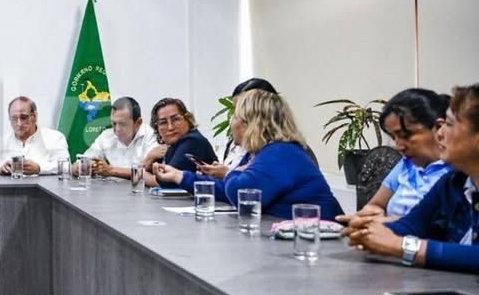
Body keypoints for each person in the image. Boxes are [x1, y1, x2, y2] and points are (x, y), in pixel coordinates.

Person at [339, 84, 479, 274]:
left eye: (449, 124)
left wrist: (403, 246)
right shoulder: (454, 182)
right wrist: (365, 231)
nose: (439, 133)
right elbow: (412, 225)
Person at [154, 90, 343, 219]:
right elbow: (225, 189)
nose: (232, 123)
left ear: (250, 123)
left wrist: (230, 173)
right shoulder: (259, 153)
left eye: (234, 116)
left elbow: (241, 194)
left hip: (322, 242)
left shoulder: (281, 152)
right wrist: (180, 176)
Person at [354, 88, 451, 218]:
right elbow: (376, 204)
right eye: (394, 137)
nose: (399, 146)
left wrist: (389, 224)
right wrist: (372, 214)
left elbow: (443, 226)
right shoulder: (408, 164)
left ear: (439, 127)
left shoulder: (460, 171)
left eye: (406, 135)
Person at [0, 96, 69, 176]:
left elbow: (66, 167)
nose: (19, 123)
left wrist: (39, 169)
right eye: (14, 119)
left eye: (23, 117)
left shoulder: (54, 138)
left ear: (35, 116)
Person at [143, 97, 217, 186]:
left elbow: (167, 181)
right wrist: (149, 158)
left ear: (187, 119)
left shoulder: (193, 141)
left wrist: (142, 175)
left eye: (175, 119)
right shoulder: (172, 144)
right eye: (163, 122)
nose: (170, 127)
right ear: (157, 128)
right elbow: (152, 171)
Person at [80, 97, 156, 179]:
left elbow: (145, 172)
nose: (117, 129)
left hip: (140, 190)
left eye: (122, 124)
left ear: (138, 122)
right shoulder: (107, 135)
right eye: (114, 123)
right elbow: (85, 160)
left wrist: (111, 171)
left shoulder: (151, 136)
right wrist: (83, 166)